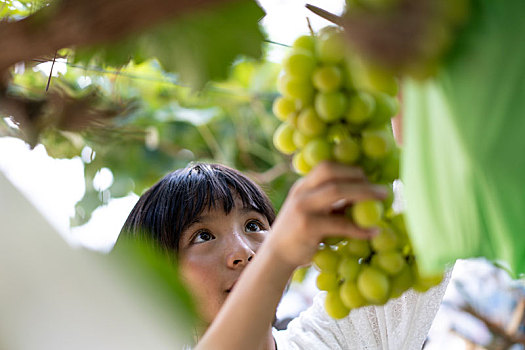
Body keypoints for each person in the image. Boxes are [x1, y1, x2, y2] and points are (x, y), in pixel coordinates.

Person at [118, 161, 449, 350]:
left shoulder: (334, 339)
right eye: (203, 236)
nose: (244, 252)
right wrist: (277, 256)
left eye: (253, 225)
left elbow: (428, 193)